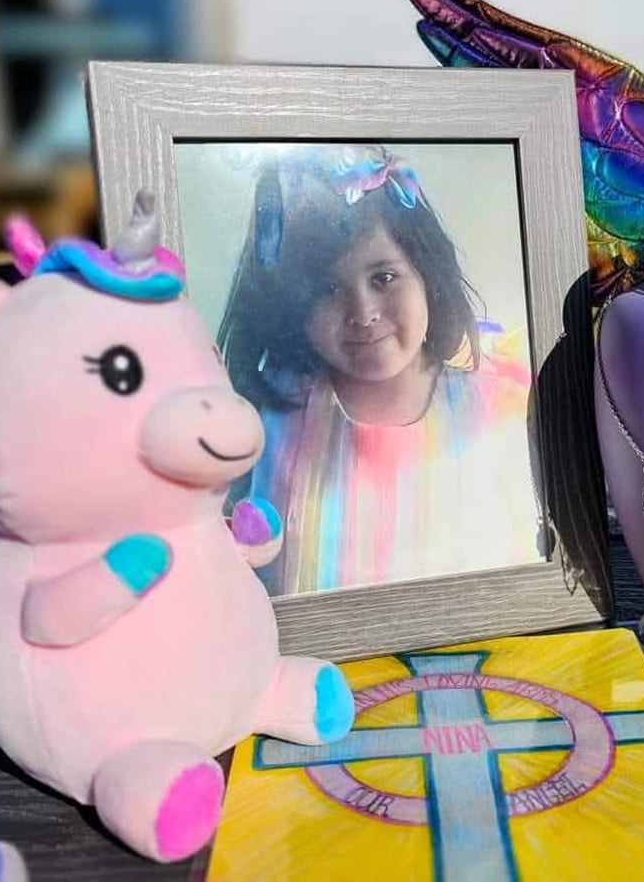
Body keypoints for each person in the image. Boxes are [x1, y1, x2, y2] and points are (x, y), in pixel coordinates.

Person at [217, 145, 543, 595]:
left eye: (383, 277)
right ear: (291, 303)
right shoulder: (267, 413)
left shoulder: (504, 395)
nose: (363, 312)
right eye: (327, 289)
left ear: (427, 272)